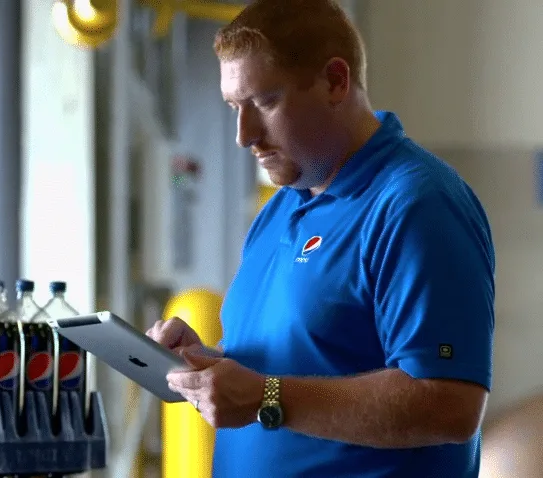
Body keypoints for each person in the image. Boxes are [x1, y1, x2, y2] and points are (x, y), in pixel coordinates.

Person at [145, 0, 495, 476]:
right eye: (234, 108)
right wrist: (207, 366)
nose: (243, 135)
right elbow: (300, 363)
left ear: (335, 81)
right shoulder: (281, 209)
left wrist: (267, 396)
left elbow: (450, 405)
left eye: (264, 102)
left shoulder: (416, 204)